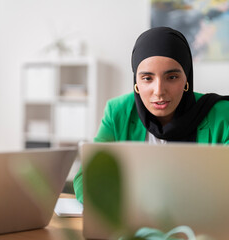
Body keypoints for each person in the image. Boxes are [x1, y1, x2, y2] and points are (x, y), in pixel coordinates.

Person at [73, 27, 229, 204]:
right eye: (147, 78)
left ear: (186, 79)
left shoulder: (222, 114)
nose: (159, 91)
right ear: (136, 83)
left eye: (171, 77)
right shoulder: (118, 112)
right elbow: (86, 178)